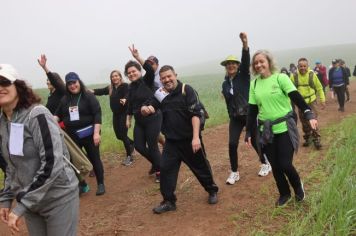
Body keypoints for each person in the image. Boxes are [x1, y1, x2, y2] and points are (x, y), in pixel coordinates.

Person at [0, 64, 79, 235]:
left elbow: (52, 163)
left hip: (58, 197)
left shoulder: (37, 114)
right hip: (32, 202)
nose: (0, 88)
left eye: (4, 82)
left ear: (18, 87)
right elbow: (12, 166)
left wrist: (22, 205)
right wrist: (6, 199)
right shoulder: (3, 122)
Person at [141, 65, 219, 214]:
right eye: (163, 78)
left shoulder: (186, 90)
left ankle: (212, 190)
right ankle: (169, 201)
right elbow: (148, 105)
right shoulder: (161, 93)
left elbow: (195, 114)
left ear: (175, 75)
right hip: (171, 142)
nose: (166, 80)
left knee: (200, 167)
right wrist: (145, 109)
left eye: (169, 76)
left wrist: (196, 137)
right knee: (165, 169)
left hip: (190, 140)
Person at [245, 50, 318, 206]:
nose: (258, 65)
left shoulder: (280, 78)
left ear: (269, 62)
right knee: (276, 166)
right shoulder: (254, 84)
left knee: (285, 164)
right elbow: (252, 111)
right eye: (255, 63)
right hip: (266, 132)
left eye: (261, 61)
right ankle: (284, 194)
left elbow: (296, 97)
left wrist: (308, 113)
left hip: (285, 128)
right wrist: (248, 132)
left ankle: (298, 187)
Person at [221, 32, 271, 185]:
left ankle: (265, 163)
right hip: (235, 118)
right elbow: (228, 103)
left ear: (238, 66)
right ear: (226, 67)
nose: (231, 65)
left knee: (256, 142)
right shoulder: (225, 84)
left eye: (234, 63)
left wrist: (245, 44)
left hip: (249, 115)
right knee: (232, 144)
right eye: (228, 64)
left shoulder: (243, 76)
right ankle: (235, 172)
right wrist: (231, 115)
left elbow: (245, 59)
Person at [37, 55, 92, 193]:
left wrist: (45, 68)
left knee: (70, 157)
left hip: (63, 130)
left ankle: (83, 182)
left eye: (50, 81)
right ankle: (78, 181)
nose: (48, 83)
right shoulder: (51, 96)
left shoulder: (62, 92)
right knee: (64, 158)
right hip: (53, 129)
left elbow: (56, 82)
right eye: (47, 81)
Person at [55, 72, 106, 195]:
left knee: (95, 158)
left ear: (79, 82)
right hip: (72, 137)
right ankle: (82, 184)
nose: (72, 86)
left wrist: (96, 133)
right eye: (69, 84)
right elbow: (57, 115)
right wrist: (50, 119)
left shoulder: (88, 96)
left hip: (89, 135)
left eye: (74, 82)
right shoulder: (65, 99)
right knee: (73, 161)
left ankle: (100, 184)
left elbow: (97, 114)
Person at [126, 45, 162, 183]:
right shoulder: (130, 87)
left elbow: (149, 69)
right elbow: (130, 104)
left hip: (153, 117)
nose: (131, 74)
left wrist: (137, 57)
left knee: (152, 146)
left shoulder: (146, 81)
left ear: (139, 72)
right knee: (139, 146)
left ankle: (160, 171)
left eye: (134, 71)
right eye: (128, 73)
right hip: (139, 120)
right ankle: (156, 162)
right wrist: (128, 119)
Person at [91, 70, 135, 166]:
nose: (114, 78)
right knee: (118, 136)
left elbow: (128, 94)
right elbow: (101, 91)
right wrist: (91, 91)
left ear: (120, 77)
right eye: (112, 76)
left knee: (123, 135)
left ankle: (129, 157)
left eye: (116, 76)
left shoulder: (125, 86)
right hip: (116, 114)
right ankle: (132, 143)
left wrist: (125, 99)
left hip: (124, 113)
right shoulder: (111, 88)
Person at [290, 58, 325, 149]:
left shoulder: (312, 75)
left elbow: (319, 88)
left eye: (304, 66)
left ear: (307, 66)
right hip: (300, 103)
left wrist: (322, 99)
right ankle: (307, 136)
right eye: (301, 66)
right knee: (304, 121)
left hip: (312, 101)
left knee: (313, 120)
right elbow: (289, 90)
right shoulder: (294, 76)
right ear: (298, 66)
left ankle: (316, 139)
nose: (303, 68)